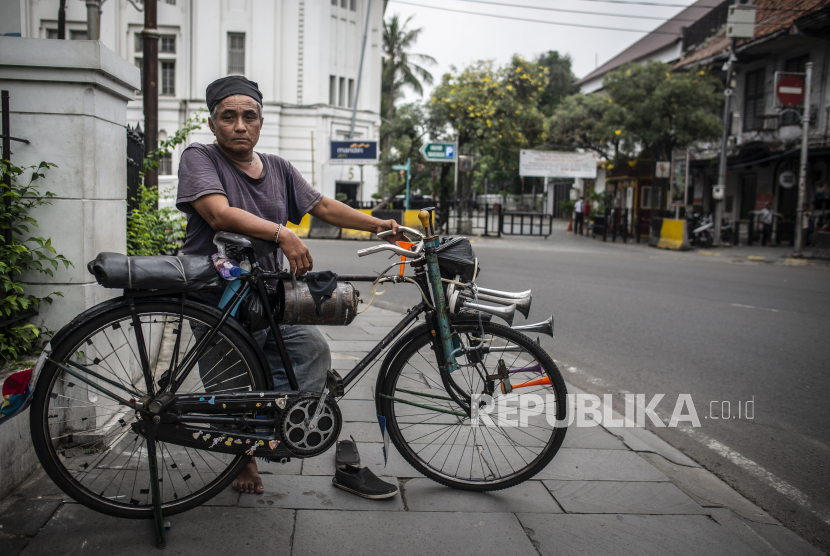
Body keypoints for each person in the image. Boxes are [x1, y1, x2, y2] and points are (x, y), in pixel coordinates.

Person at [176, 76, 404, 495]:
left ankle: (266, 429)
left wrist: (380, 226)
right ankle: (243, 457)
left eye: (249, 116)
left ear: (261, 122)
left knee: (309, 350)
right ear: (213, 123)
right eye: (229, 117)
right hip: (214, 296)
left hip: (268, 295)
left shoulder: (278, 167)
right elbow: (219, 215)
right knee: (230, 382)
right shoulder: (199, 158)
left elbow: (322, 206)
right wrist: (283, 234)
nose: (240, 125)